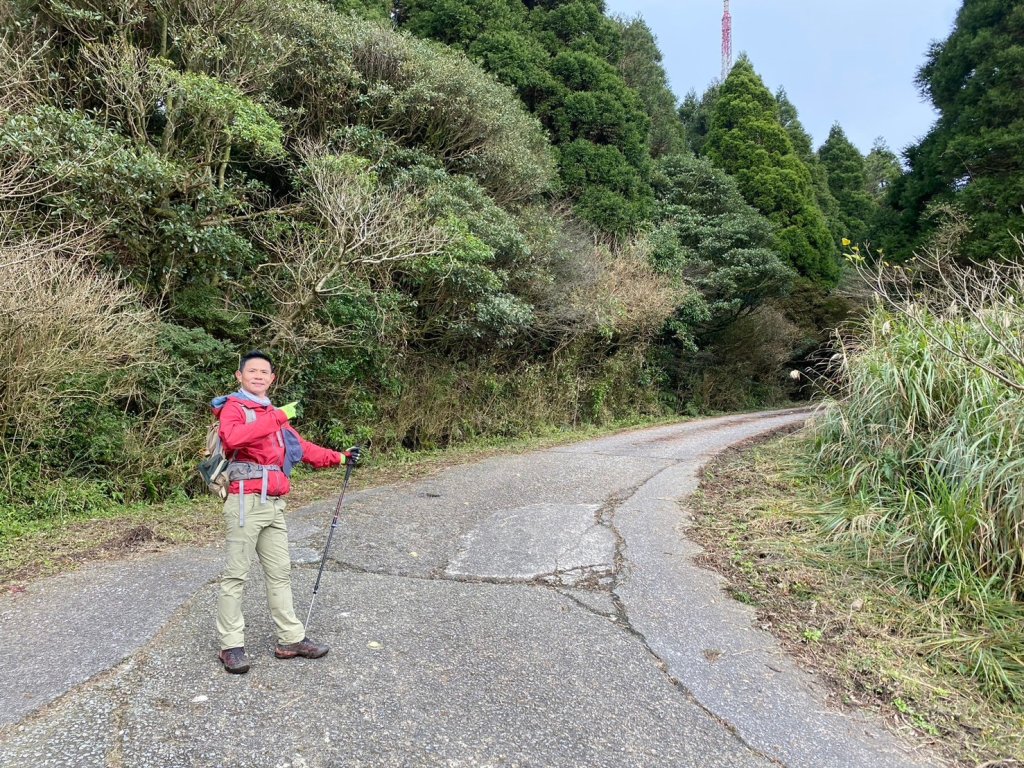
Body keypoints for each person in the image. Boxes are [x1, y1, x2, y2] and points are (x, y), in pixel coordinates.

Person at [211, 350, 360, 674]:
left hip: (274, 504)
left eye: (264, 372)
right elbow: (232, 438)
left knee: (280, 572)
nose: (258, 376)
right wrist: (276, 417)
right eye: (252, 371)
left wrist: (341, 457)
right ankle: (230, 646)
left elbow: (301, 449)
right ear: (239, 376)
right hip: (245, 502)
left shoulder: (272, 413)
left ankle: (290, 640)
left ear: (272, 378)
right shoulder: (235, 407)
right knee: (236, 575)